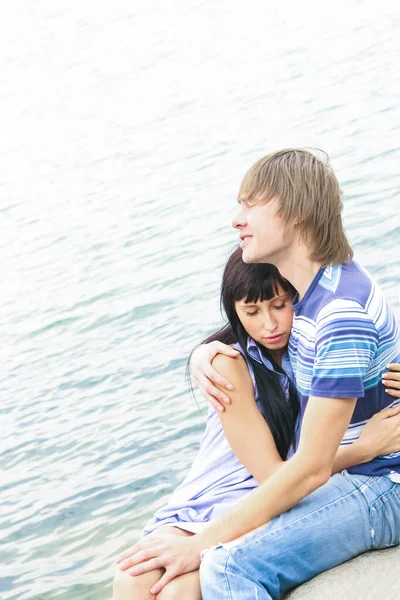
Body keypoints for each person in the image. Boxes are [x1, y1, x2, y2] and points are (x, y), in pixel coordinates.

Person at [115, 149, 400, 600]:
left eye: (251, 205)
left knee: (223, 570)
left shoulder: (337, 312)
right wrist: (203, 352)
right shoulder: (316, 296)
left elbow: (309, 469)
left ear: (297, 213)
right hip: (360, 474)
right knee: (144, 578)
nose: (237, 219)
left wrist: (202, 545)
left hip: (384, 484)